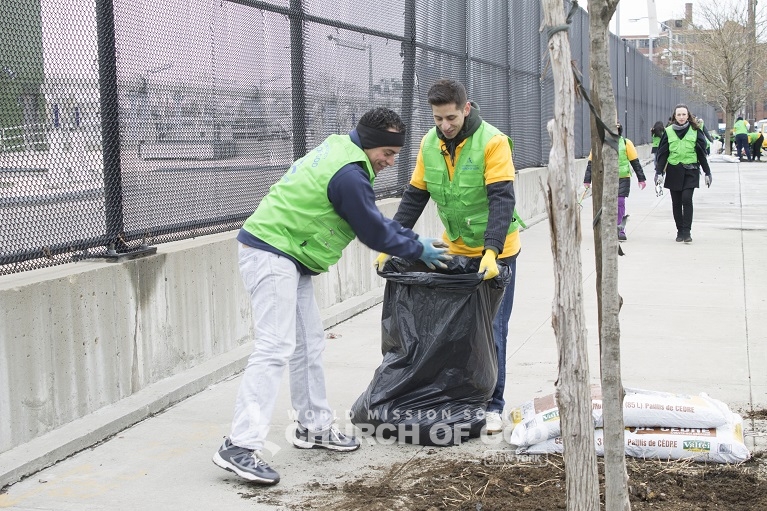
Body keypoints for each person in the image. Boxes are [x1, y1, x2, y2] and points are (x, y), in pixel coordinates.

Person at [212, 107, 452, 485]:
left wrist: (408, 240)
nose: (390, 162)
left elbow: (370, 218)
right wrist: (417, 247)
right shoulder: (349, 174)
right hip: (272, 251)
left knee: (308, 345)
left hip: (288, 254)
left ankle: (314, 427)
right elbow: (372, 229)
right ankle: (239, 446)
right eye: (388, 153)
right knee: (274, 347)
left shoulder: (342, 151)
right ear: (372, 145)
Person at [374, 79, 521, 435]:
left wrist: (492, 252)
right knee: (456, 332)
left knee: (492, 330)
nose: (445, 126)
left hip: (495, 252)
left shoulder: (493, 142)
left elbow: (502, 199)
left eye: (451, 118)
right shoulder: (429, 143)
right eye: (438, 119)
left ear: (465, 108)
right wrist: (390, 241)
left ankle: (493, 406)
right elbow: (414, 197)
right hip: (455, 248)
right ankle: (458, 399)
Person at [655, 104, 713, 244]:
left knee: (687, 199)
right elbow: (663, 154)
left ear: (688, 116)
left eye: (684, 114)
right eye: (679, 114)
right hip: (674, 171)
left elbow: (701, 153)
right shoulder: (668, 132)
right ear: (675, 116)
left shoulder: (695, 130)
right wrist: (659, 173)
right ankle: (679, 231)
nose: (681, 117)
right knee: (676, 203)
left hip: (690, 170)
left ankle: (687, 232)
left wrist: (707, 172)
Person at [583, 122, 647, 241]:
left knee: (620, 202)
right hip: (604, 177)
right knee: (604, 204)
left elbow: (635, 162)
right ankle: (606, 228)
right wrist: (587, 180)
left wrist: (641, 178)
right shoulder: (598, 143)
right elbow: (591, 163)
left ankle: (620, 228)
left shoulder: (626, 143)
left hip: (622, 177)